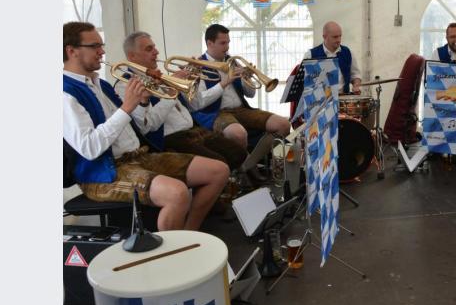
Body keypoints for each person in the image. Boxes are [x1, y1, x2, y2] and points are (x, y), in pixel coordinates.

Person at [63, 22, 229, 231]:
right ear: (72, 51)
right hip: (104, 173)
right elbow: (90, 148)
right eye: (95, 46)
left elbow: (142, 124)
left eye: (101, 45)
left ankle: (189, 234)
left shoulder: (101, 85)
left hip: (138, 156)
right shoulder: (65, 93)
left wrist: (141, 102)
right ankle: (170, 255)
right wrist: (127, 107)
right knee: (176, 193)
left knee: (218, 171)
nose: (102, 51)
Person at [115, 31, 247, 171]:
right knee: (219, 162)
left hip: (193, 130)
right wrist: (172, 91)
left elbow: (196, 104)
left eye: (154, 47)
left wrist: (191, 81)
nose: (156, 51)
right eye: (149, 49)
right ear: (131, 56)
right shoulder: (125, 85)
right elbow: (147, 126)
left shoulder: (163, 76)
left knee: (238, 153)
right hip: (170, 139)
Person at [190, 24, 291, 150]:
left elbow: (250, 94)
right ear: (210, 43)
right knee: (238, 134)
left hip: (241, 109)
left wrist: (246, 77)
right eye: (222, 43)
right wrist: (224, 82)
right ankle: (244, 168)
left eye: (228, 42)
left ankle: (259, 159)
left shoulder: (233, 62)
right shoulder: (198, 65)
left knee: (283, 124)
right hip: (216, 113)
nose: (227, 47)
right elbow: (200, 101)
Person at [303, 21, 362, 94]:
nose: (338, 40)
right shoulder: (310, 55)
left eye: (340, 36)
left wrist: (356, 85)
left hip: (343, 100)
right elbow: (306, 83)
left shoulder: (348, 52)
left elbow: (355, 74)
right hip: (320, 103)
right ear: (324, 37)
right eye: (335, 37)